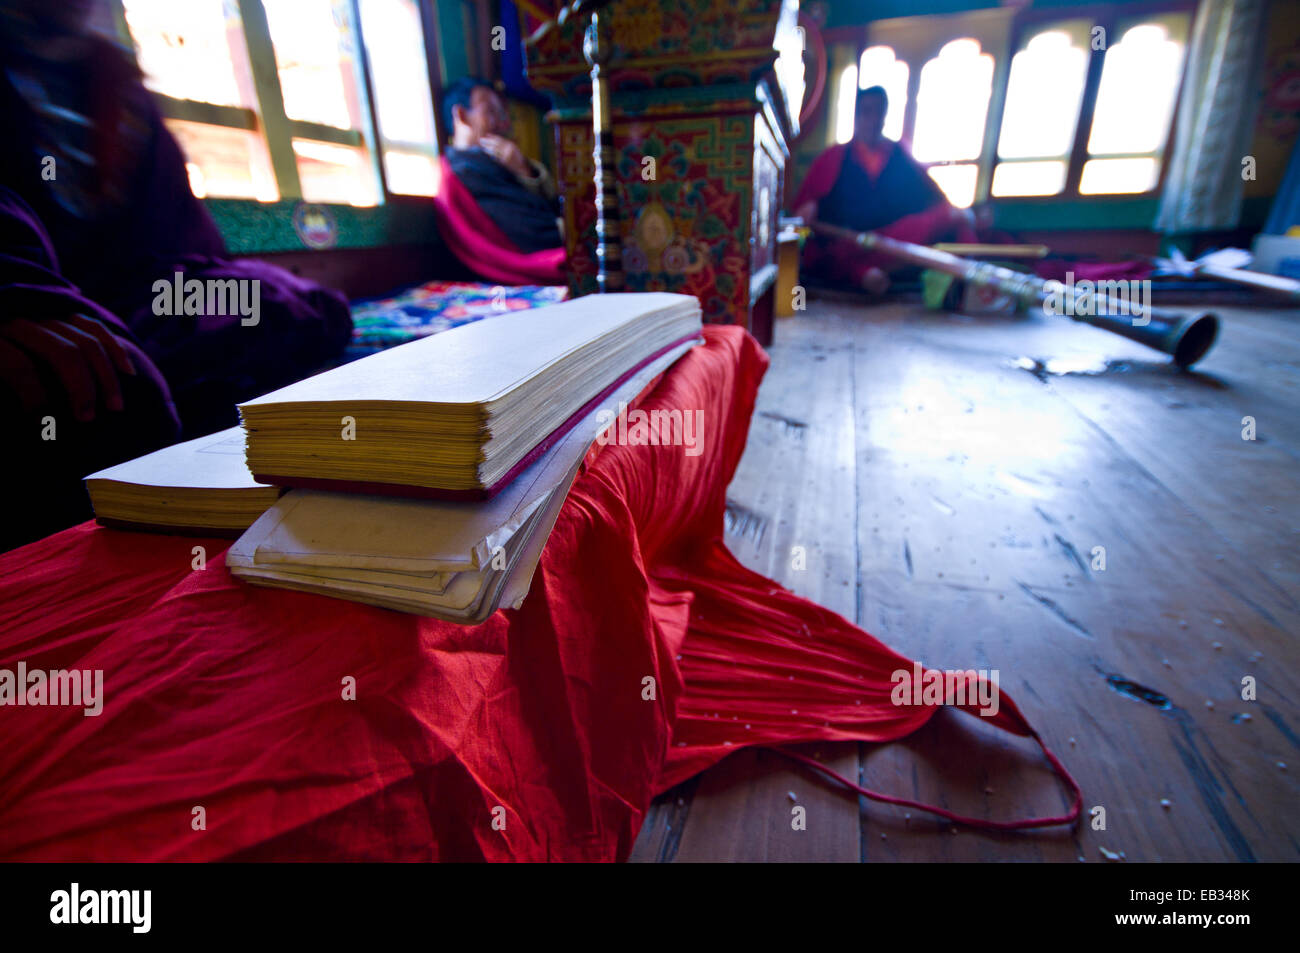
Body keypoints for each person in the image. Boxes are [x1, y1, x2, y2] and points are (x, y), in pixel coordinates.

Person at [0, 1, 352, 550]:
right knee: (108, 382)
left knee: (298, 307)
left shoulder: (112, 81)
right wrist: (17, 295)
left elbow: (172, 234)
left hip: (154, 286)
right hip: (62, 294)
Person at [794, 85, 977, 295]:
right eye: (866, 112)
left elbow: (935, 199)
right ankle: (861, 273)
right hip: (851, 246)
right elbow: (803, 215)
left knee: (954, 219)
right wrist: (809, 206)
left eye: (879, 112)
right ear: (856, 116)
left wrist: (957, 214)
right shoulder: (834, 157)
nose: (873, 120)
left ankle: (969, 287)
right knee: (820, 257)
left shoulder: (900, 154)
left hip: (898, 242)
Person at [441, 77, 563, 254]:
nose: (503, 124)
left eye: (502, 115)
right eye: (491, 112)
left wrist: (524, 170)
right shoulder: (466, 171)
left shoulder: (496, 162)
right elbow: (535, 233)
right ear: (461, 115)